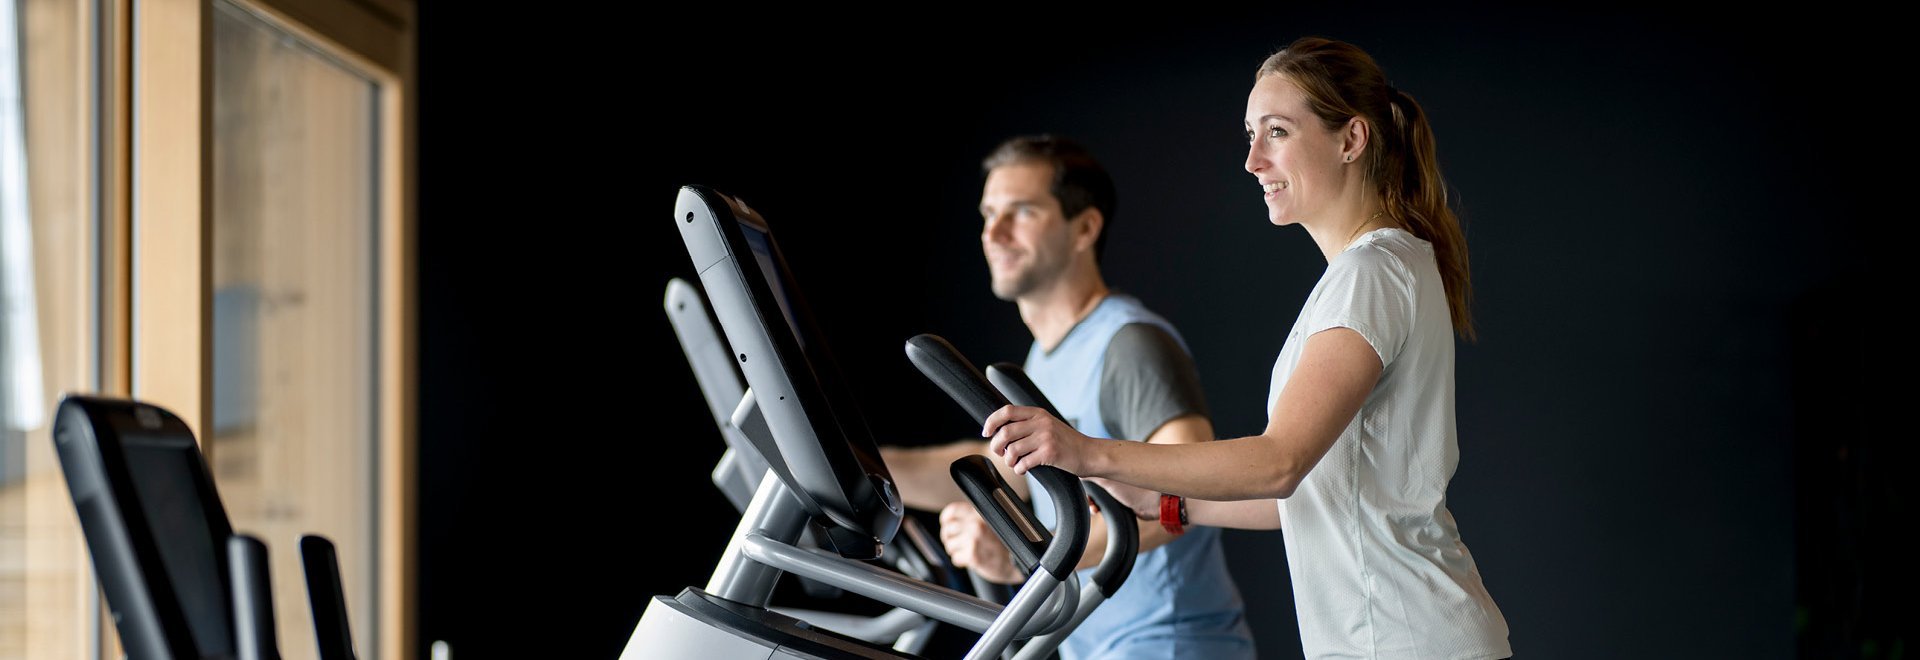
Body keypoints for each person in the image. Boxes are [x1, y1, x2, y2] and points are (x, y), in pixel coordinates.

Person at [982, 37, 1513, 659]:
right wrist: (1172, 505)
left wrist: (1090, 453)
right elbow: (1306, 493)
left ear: (1351, 140)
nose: (1254, 160)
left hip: (1404, 638)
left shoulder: (1371, 273)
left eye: (1278, 132)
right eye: (1250, 135)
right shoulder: (1374, 269)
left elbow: (1279, 462)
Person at [882, 135, 1256, 659]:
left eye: (1023, 212)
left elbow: (1187, 489)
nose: (994, 232)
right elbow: (1013, 468)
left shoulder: (1129, 343)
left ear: (1084, 227)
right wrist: (866, 465)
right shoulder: (1046, 358)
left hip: (1168, 644)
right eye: (988, 213)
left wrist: (1030, 558)